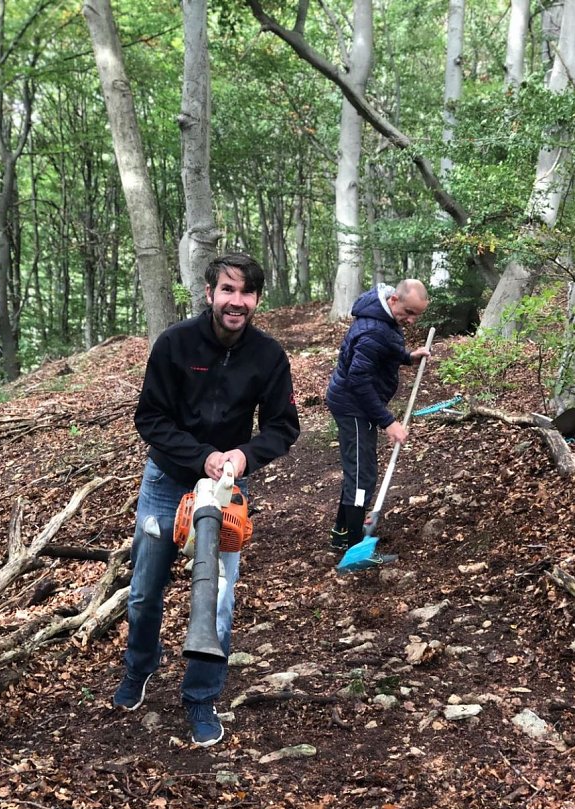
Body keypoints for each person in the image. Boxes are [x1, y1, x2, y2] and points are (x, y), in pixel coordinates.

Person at [114, 252, 300, 748]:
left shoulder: (268, 356)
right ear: (210, 292)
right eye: (227, 290)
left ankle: (200, 695)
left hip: (225, 492)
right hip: (167, 480)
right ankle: (140, 666)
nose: (236, 301)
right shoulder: (175, 344)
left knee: (216, 597)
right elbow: (150, 419)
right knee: (145, 589)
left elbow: (284, 427)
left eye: (246, 292)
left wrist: (241, 456)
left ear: (256, 298)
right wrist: (202, 457)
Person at [326, 279, 430, 551]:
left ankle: (342, 533)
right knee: (362, 476)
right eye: (408, 313)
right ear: (394, 300)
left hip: (358, 403)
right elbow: (358, 380)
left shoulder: (382, 316)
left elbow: (386, 348)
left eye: (416, 316)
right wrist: (388, 422)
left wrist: (407, 357)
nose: (410, 321)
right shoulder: (372, 330)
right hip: (353, 405)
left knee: (359, 472)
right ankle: (353, 546)